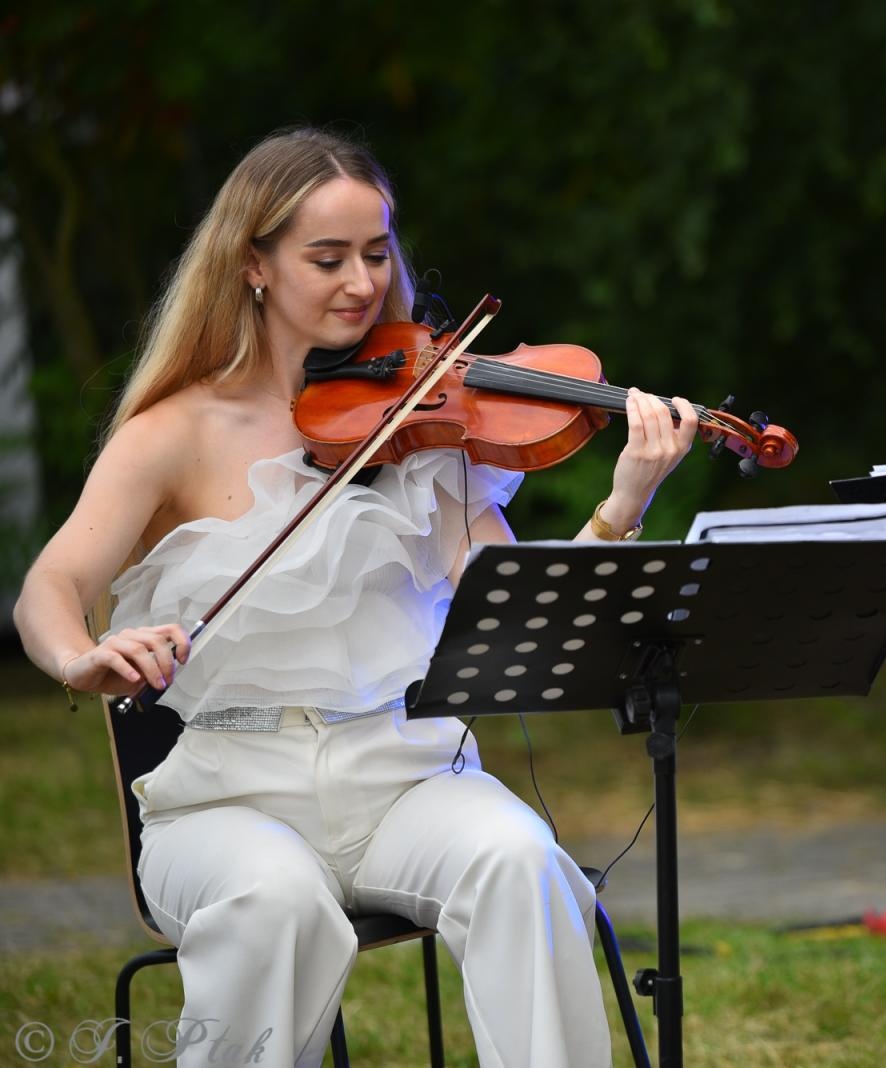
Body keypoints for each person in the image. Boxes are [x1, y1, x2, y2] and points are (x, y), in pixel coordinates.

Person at [13, 127, 700, 1067]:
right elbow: (50, 587)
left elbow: (514, 616)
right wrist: (77, 653)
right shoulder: (174, 432)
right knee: (276, 901)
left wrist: (623, 504)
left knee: (521, 860)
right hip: (225, 800)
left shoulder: (422, 421)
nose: (362, 283)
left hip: (404, 776)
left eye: (377, 253)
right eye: (327, 258)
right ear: (253, 265)